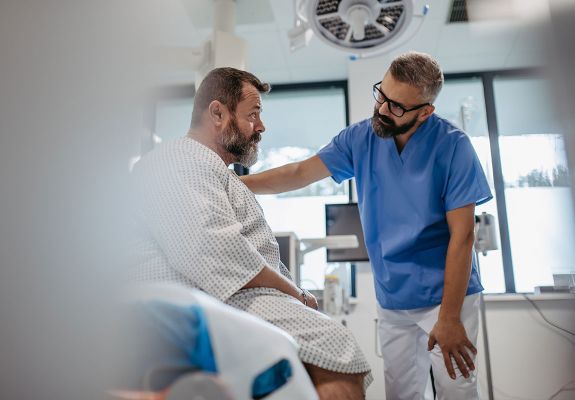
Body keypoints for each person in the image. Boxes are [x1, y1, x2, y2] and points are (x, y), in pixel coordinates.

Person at [241, 51, 493, 400]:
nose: (383, 110)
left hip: (447, 297)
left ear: (425, 112)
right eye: (381, 95)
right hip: (392, 297)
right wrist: (237, 184)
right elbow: (300, 172)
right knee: (401, 394)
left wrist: (449, 317)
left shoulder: (453, 146)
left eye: (397, 107)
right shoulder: (360, 138)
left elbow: (463, 236)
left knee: (457, 390)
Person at [130, 67, 372, 400]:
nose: (261, 126)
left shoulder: (214, 171)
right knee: (334, 343)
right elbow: (216, 252)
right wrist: (298, 295)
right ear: (217, 113)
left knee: (322, 343)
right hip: (193, 306)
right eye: (252, 114)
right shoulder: (182, 160)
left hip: (224, 298)